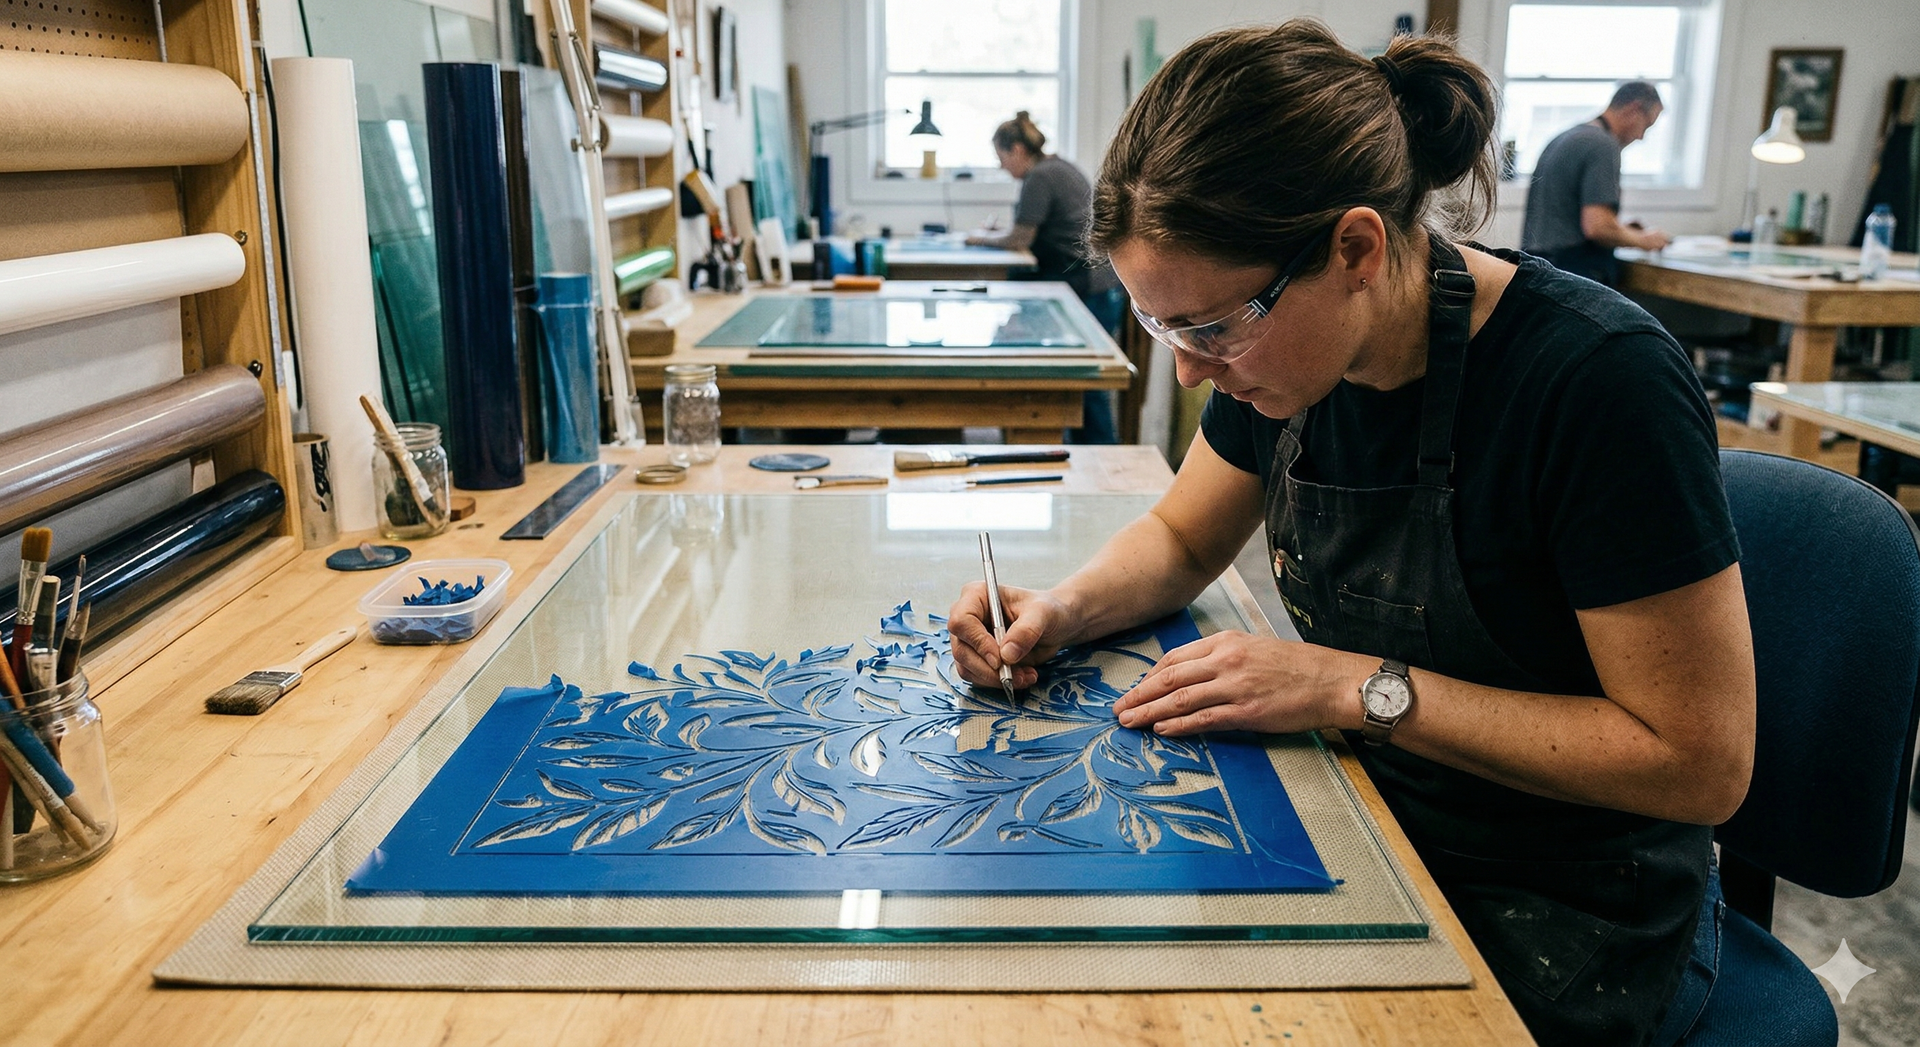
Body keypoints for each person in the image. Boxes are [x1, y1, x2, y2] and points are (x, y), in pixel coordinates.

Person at [947, 23, 1754, 1047]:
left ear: (1358, 250)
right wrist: (1057, 610)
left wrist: (1352, 688)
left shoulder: (1597, 383)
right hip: (1370, 817)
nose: (1191, 371)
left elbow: (1698, 762)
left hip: (1572, 896)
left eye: (1209, 326)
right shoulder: (1286, 351)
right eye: (1163, 326)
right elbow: (1186, 541)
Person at [968, 111, 1121, 444]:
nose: (1002, 167)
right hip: (1100, 284)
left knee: (1086, 384)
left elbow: (1020, 238)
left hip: (1089, 286)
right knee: (1086, 385)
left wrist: (979, 238)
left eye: (1002, 157)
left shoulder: (1040, 176)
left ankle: (1098, 462)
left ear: (1019, 150)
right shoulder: (1060, 167)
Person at [1521, 81, 1674, 285]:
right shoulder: (1603, 145)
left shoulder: (1567, 137)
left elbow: (1563, 216)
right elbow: (1597, 228)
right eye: (1646, 125)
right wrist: (1645, 240)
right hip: (1573, 270)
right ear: (1634, 110)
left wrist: (1622, 231)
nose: (1641, 136)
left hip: (1537, 267)